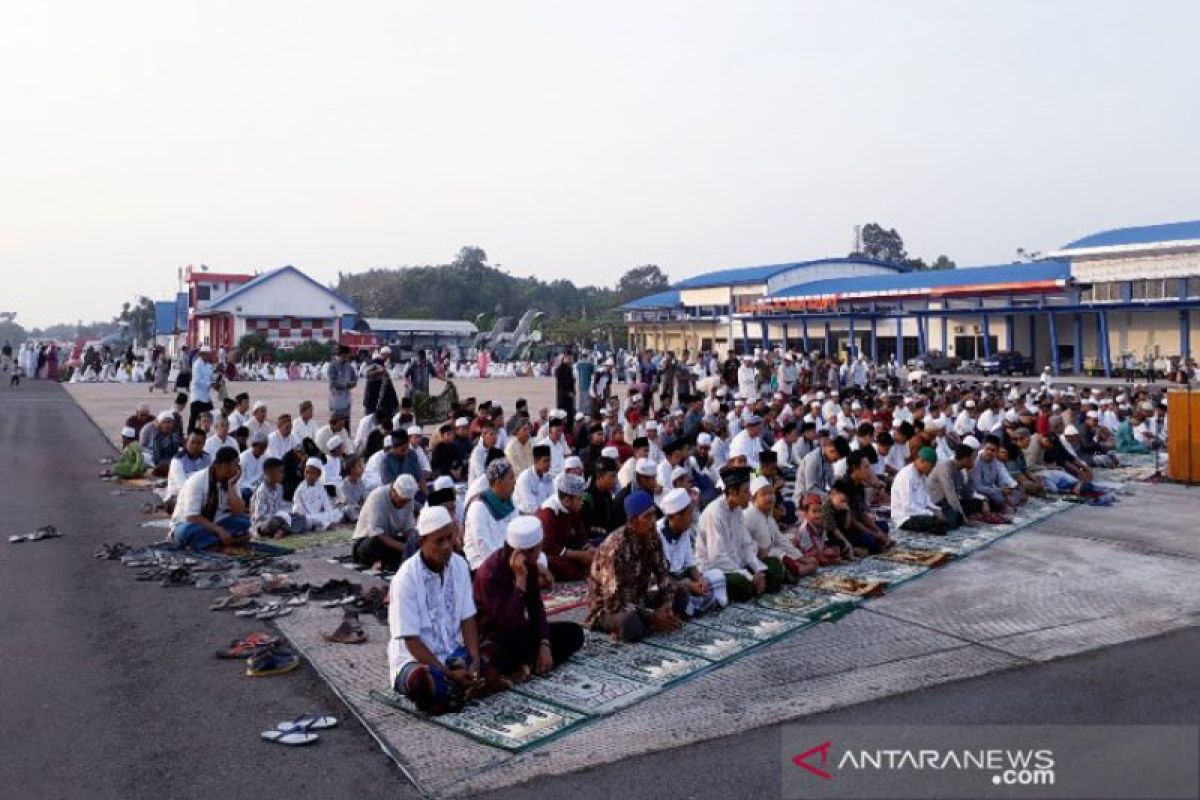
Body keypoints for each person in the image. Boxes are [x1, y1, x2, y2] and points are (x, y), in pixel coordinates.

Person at [389, 506, 482, 714]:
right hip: (417, 660)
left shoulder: (459, 566)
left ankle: (458, 687)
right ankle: (448, 689)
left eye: (450, 537)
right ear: (422, 542)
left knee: (488, 658)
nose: (447, 546)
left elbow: (468, 619)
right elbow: (411, 640)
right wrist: (447, 674)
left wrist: (474, 661)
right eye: (439, 541)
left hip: (453, 654)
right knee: (421, 682)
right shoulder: (406, 578)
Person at [473, 515, 585, 682]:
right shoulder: (489, 575)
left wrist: (544, 643)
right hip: (496, 637)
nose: (540, 552)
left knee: (574, 633)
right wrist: (520, 582)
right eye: (539, 548)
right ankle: (525, 663)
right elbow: (507, 624)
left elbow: (536, 607)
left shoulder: (529, 563)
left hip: (521, 631)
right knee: (496, 658)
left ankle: (527, 664)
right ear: (527, 551)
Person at [585, 490, 687, 642]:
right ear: (632, 522)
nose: (653, 521)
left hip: (639, 600)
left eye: (653, 514)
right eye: (647, 516)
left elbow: (663, 577)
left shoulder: (653, 537)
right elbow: (613, 602)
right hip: (610, 608)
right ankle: (649, 624)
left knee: (681, 592)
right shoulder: (615, 547)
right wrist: (653, 615)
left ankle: (657, 622)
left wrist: (666, 606)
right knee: (630, 623)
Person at [696, 466, 783, 601]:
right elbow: (717, 558)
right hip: (719, 570)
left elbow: (747, 545)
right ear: (732, 492)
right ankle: (753, 588)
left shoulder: (737, 510)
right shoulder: (714, 514)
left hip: (739, 565)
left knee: (774, 566)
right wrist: (749, 576)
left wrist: (758, 570)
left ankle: (756, 586)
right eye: (745, 492)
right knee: (741, 583)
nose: (749, 497)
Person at [657, 488, 726, 616]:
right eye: (688, 513)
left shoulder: (683, 529)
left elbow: (690, 564)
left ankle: (697, 605)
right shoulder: (656, 536)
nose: (691, 517)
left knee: (717, 575)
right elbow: (661, 578)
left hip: (684, 578)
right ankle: (693, 607)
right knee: (680, 596)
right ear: (675, 516)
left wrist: (700, 581)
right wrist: (689, 585)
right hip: (667, 584)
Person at [169, 446, 252, 550]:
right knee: (189, 531)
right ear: (224, 466)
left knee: (246, 523)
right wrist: (219, 531)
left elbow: (238, 511)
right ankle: (224, 541)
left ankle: (213, 542)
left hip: (216, 522)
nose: (238, 469)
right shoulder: (197, 481)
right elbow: (192, 517)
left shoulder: (231, 480)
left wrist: (231, 486)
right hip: (190, 524)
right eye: (235, 465)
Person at [743, 476, 816, 581]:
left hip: (773, 553)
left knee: (807, 561)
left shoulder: (767, 515)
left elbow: (780, 539)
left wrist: (800, 557)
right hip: (756, 560)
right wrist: (760, 551)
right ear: (754, 498)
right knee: (797, 567)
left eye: (771, 493)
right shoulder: (749, 516)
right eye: (764, 494)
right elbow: (744, 545)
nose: (769, 498)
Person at [352, 475, 419, 571]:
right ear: (393, 492)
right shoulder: (377, 496)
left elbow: (408, 528)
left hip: (390, 541)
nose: (404, 504)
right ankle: (383, 562)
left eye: (406, 502)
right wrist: (404, 547)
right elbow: (377, 533)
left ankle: (386, 562)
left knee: (415, 541)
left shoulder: (409, 501)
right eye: (402, 501)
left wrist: (414, 543)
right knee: (375, 543)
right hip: (366, 542)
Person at [535, 472, 595, 581]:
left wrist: (588, 548)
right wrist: (580, 555)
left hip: (570, 552)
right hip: (550, 555)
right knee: (560, 565)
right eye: (579, 498)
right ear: (567, 500)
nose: (582, 502)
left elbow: (581, 534)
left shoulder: (573, 509)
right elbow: (550, 548)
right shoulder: (547, 514)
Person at [464, 459, 519, 570]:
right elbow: (484, 547)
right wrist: (509, 565)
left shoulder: (511, 503)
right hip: (484, 566)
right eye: (511, 478)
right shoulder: (478, 508)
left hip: (509, 560)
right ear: (498, 482)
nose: (515, 482)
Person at [889, 446, 948, 534]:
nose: (931, 470)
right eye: (930, 466)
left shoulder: (922, 476)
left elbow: (926, 501)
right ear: (922, 461)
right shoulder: (906, 475)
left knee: (952, 514)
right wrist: (931, 514)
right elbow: (907, 506)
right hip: (906, 517)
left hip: (921, 513)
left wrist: (937, 511)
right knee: (937, 524)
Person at [251, 457, 306, 538]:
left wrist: (286, 514)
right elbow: (259, 516)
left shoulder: (279, 488)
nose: (282, 475)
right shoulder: (261, 491)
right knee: (273, 522)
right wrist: (278, 516)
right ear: (269, 473)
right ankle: (282, 531)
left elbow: (280, 507)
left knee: (300, 518)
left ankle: (281, 531)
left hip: (278, 520)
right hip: (264, 522)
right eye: (280, 472)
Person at [292, 458, 345, 531]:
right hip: (305, 517)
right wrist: (318, 517)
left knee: (337, 513)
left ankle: (324, 524)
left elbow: (327, 505)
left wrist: (330, 514)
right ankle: (325, 525)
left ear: (319, 474)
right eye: (307, 472)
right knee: (308, 519)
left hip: (318, 516)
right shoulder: (300, 489)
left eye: (312, 473)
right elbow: (302, 510)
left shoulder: (320, 487)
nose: (308, 476)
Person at [165, 430, 212, 512]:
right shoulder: (177, 460)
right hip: (178, 497)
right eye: (192, 442)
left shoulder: (207, 458)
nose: (195, 446)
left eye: (199, 443)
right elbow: (182, 487)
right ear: (186, 442)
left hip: (201, 496)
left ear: (204, 444)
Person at [581, 456, 621, 536]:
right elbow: (587, 526)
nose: (615, 480)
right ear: (599, 477)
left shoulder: (607, 494)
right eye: (612, 476)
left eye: (615, 476)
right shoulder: (586, 496)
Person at [513, 445, 554, 515]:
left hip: (543, 514)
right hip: (525, 515)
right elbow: (530, 507)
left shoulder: (548, 477)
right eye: (546, 461)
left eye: (550, 460)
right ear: (535, 461)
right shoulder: (525, 479)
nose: (549, 464)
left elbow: (552, 499)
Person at [328, 345, 358, 426]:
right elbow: (333, 383)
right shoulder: (332, 366)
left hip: (346, 400)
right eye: (346, 356)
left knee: (346, 424)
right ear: (341, 354)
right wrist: (346, 385)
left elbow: (355, 381)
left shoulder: (350, 367)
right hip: (335, 400)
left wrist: (352, 384)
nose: (347, 358)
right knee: (335, 423)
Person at [187, 346, 215, 433]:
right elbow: (197, 380)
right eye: (207, 355)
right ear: (201, 355)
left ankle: (206, 432)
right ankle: (190, 434)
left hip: (206, 396)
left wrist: (216, 380)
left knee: (209, 415)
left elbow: (210, 377)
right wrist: (210, 384)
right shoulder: (197, 365)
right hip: (197, 396)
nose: (208, 357)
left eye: (209, 355)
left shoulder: (208, 365)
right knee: (194, 417)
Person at [337, 456, 369, 522]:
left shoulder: (361, 483)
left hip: (358, 508)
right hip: (346, 509)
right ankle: (359, 519)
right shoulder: (343, 485)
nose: (362, 468)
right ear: (352, 469)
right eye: (359, 466)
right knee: (349, 509)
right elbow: (347, 502)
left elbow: (364, 497)